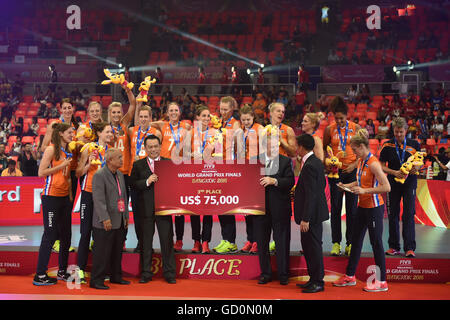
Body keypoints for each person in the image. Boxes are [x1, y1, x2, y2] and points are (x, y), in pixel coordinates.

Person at [333, 129, 391, 292]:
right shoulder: (361, 161)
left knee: (376, 243)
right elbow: (359, 182)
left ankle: (382, 281)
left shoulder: (373, 163)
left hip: (374, 209)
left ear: (361, 146)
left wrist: (365, 192)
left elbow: (387, 186)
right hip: (362, 207)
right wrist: (345, 186)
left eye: (355, 149)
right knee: (355, 241)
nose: (354, 153)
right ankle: (350, 276)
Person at [130, 135, 176, 284]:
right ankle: (146, 273)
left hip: (164, 210)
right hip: (145, 210)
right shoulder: (138, 165)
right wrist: (146, 181)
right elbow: (133, 184)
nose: (153, 149)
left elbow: (176, 186)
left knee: (167, 242)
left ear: (160, 146)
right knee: (145, 243)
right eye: (150, 147)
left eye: (156, 146)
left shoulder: (168, 163)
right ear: (145, 148)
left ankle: (169, 273)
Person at [32, 123, 74, 285]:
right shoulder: (51, 149)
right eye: (70, 132)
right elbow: (41, 173)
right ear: (62, 134)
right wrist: (61, 166)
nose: (72, 134)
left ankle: (62, 272)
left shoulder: (67, 151)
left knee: (66, 235)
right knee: (50, 235)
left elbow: (67, 176)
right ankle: (40, 274)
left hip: (64, 198)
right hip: (51, 197)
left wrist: (70, 195)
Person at [254, 131, 295, 285]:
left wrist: (274, 180)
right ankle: (265, 273)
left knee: (282, 242)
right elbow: (249, 184)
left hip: (280, 210)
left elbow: (290, 181)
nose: (274, 148)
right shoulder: (255, 161)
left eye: (275, 145)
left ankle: (284, 275)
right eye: (270, 145)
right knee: (262, 243)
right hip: (260, 210)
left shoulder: (285, 161)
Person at [75, 122, 113, 284]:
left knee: (101, 235)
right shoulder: (89, 148)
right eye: (107, 132)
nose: (110, 134)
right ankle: (80, 270)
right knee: (85, 233)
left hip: (103, 197)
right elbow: (78, 172)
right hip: (88, 193)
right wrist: (89, 164)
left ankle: (100, 271)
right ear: (99, 133)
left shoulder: (111, 152)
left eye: (111, 132)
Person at [150, 102, 191, 251]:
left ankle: (179, 240)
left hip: (178, 169)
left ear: (180, 112)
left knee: (179, 208)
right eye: (171, 110)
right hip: (164, 169)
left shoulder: (186, 127)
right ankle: (168, 239)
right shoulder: (162, 125)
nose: (173, 113)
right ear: (167, 112)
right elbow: (148, 122)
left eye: (176, 110)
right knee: (165, 207)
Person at [323, 96, 360, 256]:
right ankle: (336, 243)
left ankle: (350, 243)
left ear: (347, 116)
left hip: (351, 172)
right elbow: (325, 148)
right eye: (336, 118)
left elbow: (362, 150)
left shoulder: (356, 128)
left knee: (352, 210)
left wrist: (354, 164)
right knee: (336, 209)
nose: (338, 121)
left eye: (341, 118)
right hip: (335, 173)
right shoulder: (329, 129)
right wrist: (328, 161)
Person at [379, 117, 421, 257]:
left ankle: (409, 248)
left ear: (406, 131)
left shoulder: (415, 144)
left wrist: (416, 168)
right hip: (392, 184)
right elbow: (381, 166)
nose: (398, 135)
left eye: (401, 132)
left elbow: (419, 162)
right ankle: (394, 246)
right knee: (392, 215)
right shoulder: (387, 145)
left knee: (409, 214)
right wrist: (394, 172)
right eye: (396, 132)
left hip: (409, 184)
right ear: (393, 131)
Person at [90, 148, 130, 290]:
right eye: (119, 157)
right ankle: (96, 280)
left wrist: (126, 215)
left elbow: (124, 197)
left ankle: (116, 276)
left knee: (117, 251)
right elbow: (99, 200)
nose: (121, 159)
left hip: (119, 219)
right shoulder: (100, 175)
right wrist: (105, 218)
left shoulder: (119, 174)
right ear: (110, 160)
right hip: (105, 222)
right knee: (102, 252)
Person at [293, 134, 329, 293]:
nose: (295, 148)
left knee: (313, 248)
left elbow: (312, 194)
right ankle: (313, 279)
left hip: (311, 217)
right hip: (313, 213)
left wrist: (305, 218)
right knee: (308, 247)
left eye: (296, 145)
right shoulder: (313, 162)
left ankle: (318, 282)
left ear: (301, 146)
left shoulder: (310, 165)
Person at [128, 105, 162, 253]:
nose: (143, 119)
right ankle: (140, 242)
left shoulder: (156, 133)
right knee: (137, 213)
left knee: (151, 214)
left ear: (150, 118)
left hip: (151, 174)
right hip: (135, 175)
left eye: (146, 116)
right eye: (141, 116)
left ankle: (148, 243)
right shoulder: (131, 131)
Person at [212, 96, 241, 254]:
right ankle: (225, 239)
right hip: (217, 167)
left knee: (227, 205)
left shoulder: (235, 123)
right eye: (221, 109)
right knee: (220, 205)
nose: (222, 112)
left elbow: (238, 145)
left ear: (231, 109)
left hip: (228, 168)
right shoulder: (219, 123)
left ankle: (231, 241)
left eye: (225, 109)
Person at [188, 105, 217, 254]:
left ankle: (206, 241)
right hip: (194, 175)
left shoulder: (215, 133)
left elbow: (219, 154)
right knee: (194, 211)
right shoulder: (191, 133)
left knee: (208, 210)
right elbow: (183, 154)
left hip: (209, 175)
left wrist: (211, 156)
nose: (206, 119)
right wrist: (192, 155)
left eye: (208, 116)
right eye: (203, 116)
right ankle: (196, 241)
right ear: (197, 118)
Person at [236, 105, 264, 254]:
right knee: (247, 210)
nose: (246, 122)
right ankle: (250, 239)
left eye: (248, 119)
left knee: (256, 210)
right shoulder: (241, 130)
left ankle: (258, 241)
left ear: (253, 117)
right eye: (243, 119)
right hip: (244, 173)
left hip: (257, 172)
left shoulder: (260, 129)